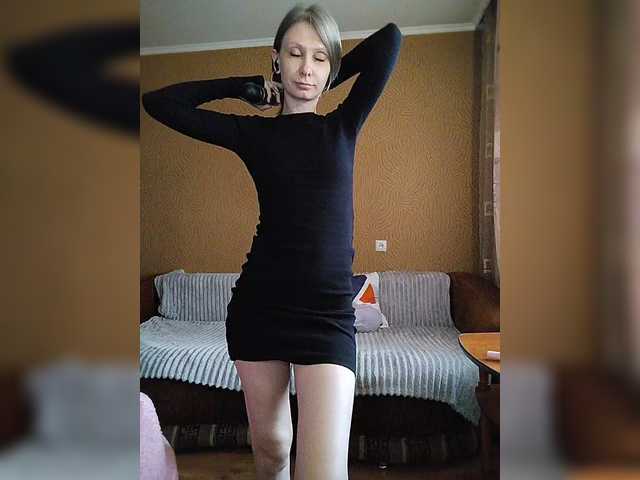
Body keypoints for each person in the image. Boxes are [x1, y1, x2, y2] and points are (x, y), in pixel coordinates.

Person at [142, 3, 401, 479]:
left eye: (319, 57)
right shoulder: (253, 133)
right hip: (260, 308)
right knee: (273, 451)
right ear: (276, 59)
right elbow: (159, 102)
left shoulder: (343, 125)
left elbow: (390, 40)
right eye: (295, 54)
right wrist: (240, 87)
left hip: (328, 315)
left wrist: (330, 77)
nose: (306, 68)